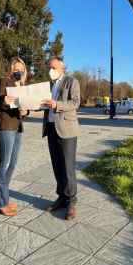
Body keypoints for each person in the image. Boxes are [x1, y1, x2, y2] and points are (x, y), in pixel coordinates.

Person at [41, 56, 81, 220]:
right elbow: (45, 104)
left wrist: (57, 105)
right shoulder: (49, 85)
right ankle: (62, 197)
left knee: (68, 167)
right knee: (57, 165)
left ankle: (71, 200)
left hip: (67, 130)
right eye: (49, 68)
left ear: (62, 68)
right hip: (51, 128)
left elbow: (75, 103)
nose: (51, 70)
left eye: (54, 68)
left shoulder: (72, 81)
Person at [0, 57, 29, 216]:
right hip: (6, 126)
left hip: (18, 126)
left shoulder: (23, 87)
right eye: (16, 67)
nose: (18, 70)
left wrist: (26, 111)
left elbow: (25, 109)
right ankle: (1, 203)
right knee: (5, 163)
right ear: (11, 69)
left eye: (21, 68)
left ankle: (2, 198)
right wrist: (5, 101)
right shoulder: (4, 81)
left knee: (13, 164)